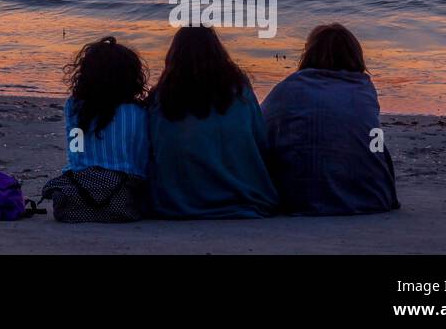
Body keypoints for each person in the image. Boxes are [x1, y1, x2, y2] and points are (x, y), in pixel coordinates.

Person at [262, 23, 400, 215]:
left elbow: (261, 133)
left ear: (308, 54)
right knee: (376, 141)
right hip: (371, 198)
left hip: (297, 199)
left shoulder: (288, 88)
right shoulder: (363, 89)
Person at [145, 26, 278, 218]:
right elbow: (260, 140)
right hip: (240, 195)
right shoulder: (239, 92)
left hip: (175, 201)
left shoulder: (162, 97)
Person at [63, 36, 150, 179]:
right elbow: (141, 160)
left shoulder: (74, 106)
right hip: (128, 189)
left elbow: (75, 152)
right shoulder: (140, 112)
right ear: (132, 77)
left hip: (82, 186)